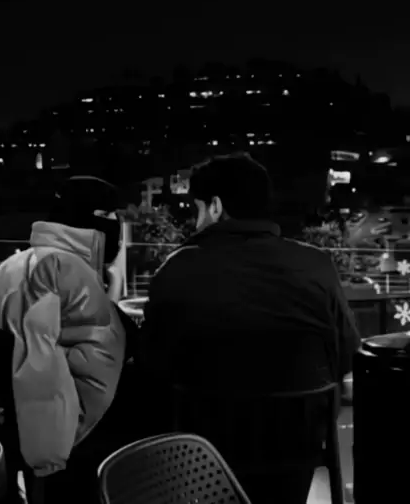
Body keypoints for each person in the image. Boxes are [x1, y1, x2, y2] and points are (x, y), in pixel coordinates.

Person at [140, 152, 361, 504]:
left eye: (198, 209)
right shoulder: (316, 264)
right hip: (297, 447)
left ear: (215, 206)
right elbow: (346, 354)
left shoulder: (177, 269)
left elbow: (153, 364)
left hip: (204, 457)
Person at [0, 175, 130, 497]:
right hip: (73, 438)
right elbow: (38, 365)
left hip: (52, 423)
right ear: (89, 217)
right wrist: (47, 460)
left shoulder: (24, 262)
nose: (118, 225)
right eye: (110, 215)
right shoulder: (58, 267)